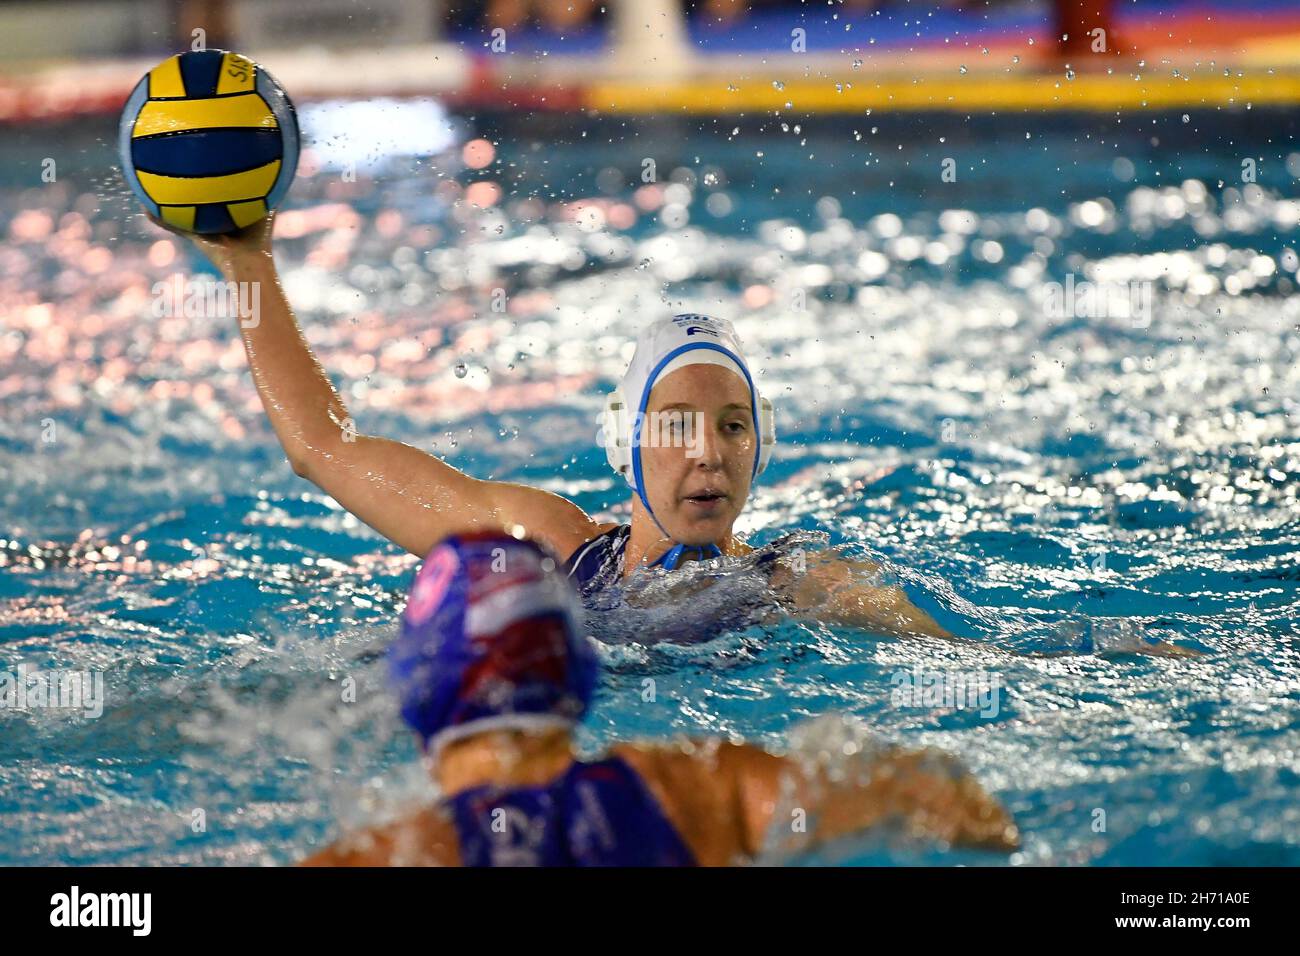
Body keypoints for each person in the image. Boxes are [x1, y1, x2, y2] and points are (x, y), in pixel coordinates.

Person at [160, 215, 1198, 655]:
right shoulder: (545, 543)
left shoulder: (800, 583)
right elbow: (326, 451)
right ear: (625, 442)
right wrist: (248, 266)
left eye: (733, 427)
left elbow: (982, 658)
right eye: (677, 425)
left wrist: (1117, 654)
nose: (707, 453)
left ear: (761, 445)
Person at [299, 532, 1020, 866]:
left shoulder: (389, 854)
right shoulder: (698, 788)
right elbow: (948, 802)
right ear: (577, 674)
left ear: (419, 691)